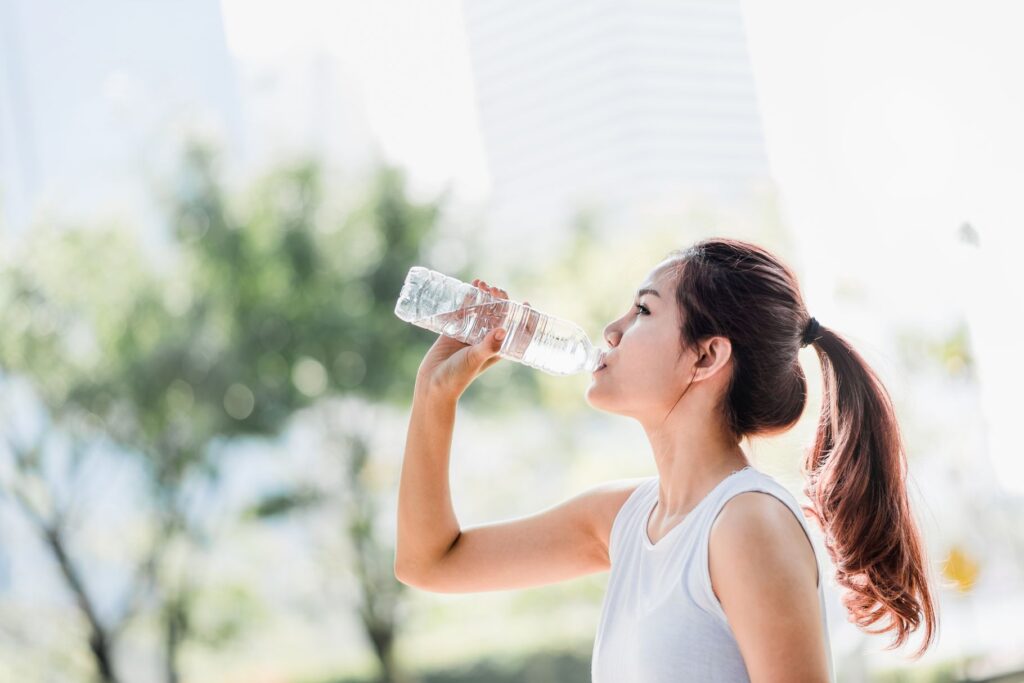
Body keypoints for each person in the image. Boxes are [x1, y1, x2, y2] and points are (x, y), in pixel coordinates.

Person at [395, 237, 938, 682]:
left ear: (706, 356)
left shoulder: (747, 524)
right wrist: (434, 394)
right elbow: (429, 562)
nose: (611, 330)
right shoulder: (624, 519)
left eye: (643, 310)